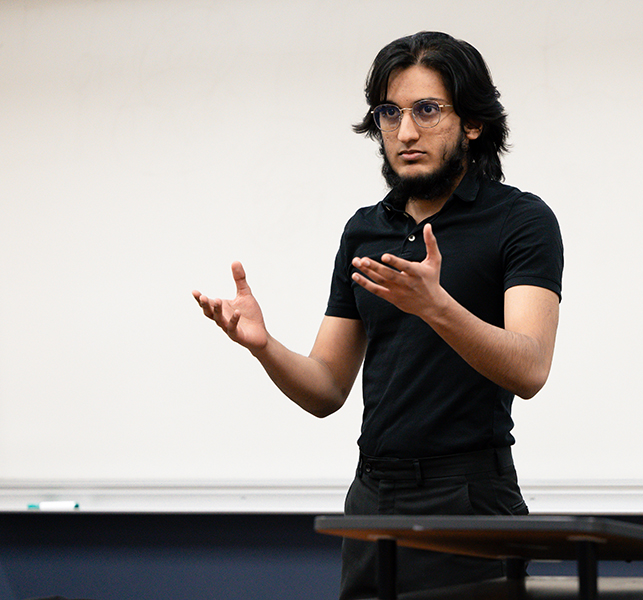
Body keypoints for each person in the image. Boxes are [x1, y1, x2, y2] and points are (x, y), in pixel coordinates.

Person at [193, 31, 563, 599]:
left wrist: (437, 308)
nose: (406, 132)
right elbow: (326, 389)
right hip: (373, 497)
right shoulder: (366, 229)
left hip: (468, 497)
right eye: (390, 113)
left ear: (472, 123)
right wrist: (264, 345)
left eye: (428, 110)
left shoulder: (520, 221)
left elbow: (530, 367)